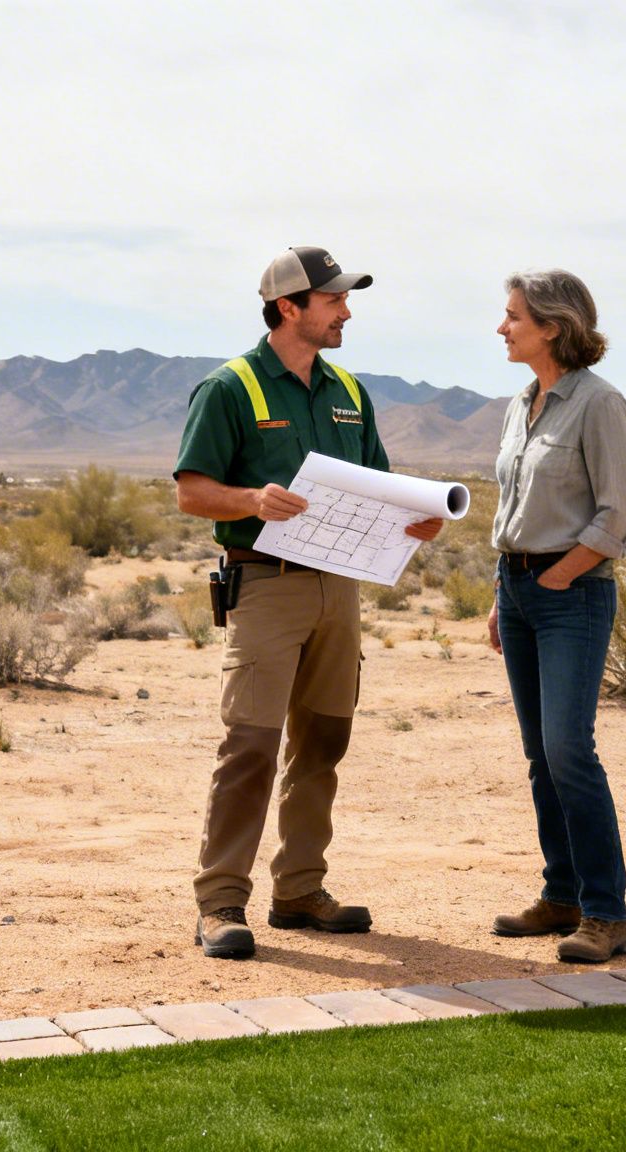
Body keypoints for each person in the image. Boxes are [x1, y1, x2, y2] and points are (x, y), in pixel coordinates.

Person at [173, 246, 442, 960]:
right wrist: (250, 500)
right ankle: (220, 901)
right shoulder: (228, 388)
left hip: (339, 590)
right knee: (251, 746)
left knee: (324, 741)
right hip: (266, 586)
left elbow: (379, 486)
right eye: (333, 300)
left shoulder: (349, 390)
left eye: (344, 300)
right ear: (288, 307)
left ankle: (299, 888)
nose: (345, 312)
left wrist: (416, 518)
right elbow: (192, 493)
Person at [486, 269, 626, 963]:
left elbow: (620, 513)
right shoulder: (521, 404)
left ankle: (606, 915)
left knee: (569, 751)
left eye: (514, 316)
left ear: (553, 326)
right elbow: (511, 510)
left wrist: (556, 575)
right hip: (517, 588)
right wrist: (506, 594)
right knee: (539, 755)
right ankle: (562, 895)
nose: (502, 327)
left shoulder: (599, 404)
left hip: (571, 594)